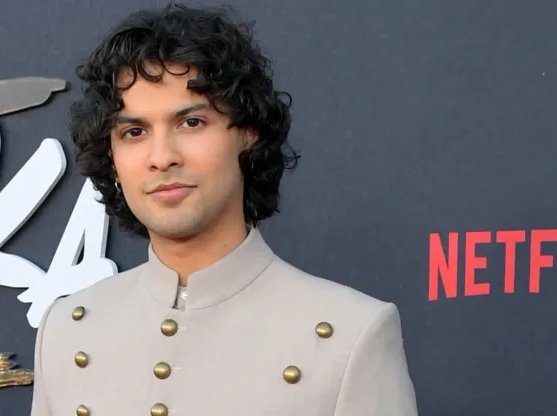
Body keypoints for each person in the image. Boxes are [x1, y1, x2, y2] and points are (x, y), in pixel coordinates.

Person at [31, 4, 417, 415]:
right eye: (135, 132)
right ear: (111, 157)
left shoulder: (350, 335)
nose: (162, 157)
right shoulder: (67, 328)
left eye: (191, 123)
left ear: (248, 132)